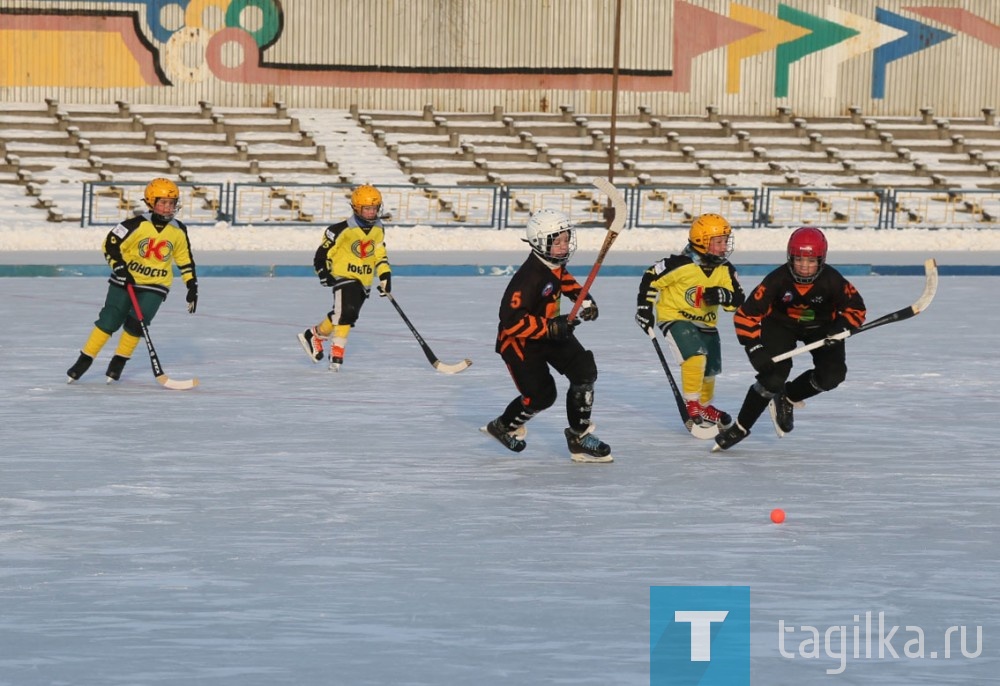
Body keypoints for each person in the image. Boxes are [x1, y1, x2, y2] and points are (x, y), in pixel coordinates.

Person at [714, 226, 867, 450]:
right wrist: (754, 348)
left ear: (821, 260)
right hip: (780, 325)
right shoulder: (777, 279)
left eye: (811, 261)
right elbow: (746, 315)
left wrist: (841, 328)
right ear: (790, 257)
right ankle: (740, 427)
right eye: (799, 260)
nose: (805, 267)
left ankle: (789, 396)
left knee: (832, 376)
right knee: (772, 377)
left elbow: (857, 310)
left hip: (822, 328)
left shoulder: (833, 280)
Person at [482, 208, 610, 463]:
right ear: (541, 242)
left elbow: (564, 280)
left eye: (566, 239)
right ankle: (502, 426)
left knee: (584, 371)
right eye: (557, 241)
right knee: (541, 396)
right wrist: (551, 328)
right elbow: (510, 322)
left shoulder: (552, 265)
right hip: (520, 343)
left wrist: (584, 300)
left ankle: (579, 436)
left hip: (550, 332)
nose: (564, 246)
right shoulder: (528, 279)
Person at [66, 177, 198, 383]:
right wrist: (119, 266)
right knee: (110, 319)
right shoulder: (133, 225)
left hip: (156, 285)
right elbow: (110, 246)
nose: (167, 208)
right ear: (150, 203)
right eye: (163, 203)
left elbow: (184, 258)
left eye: (171, 203)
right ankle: (85, 358)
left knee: (138, 324)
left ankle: (118, 362)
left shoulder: (179, 230)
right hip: (125, 280)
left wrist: (191, 284)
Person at [636, 213, 745, 434]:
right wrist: (644, 308)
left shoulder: (725, 269)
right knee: (696, 356)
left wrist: (724, 296)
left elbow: (736, 302)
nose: (724, 247)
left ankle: (703, 406)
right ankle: (692, 403)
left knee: (711, 368)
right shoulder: (679, 264)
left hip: (706, 323)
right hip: (675, 316)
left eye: (726, 241)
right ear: (701, 242)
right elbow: (651, 277)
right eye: (718, 242)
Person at [297, 184, 391, 371]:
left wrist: (385, 276)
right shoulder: (341, 229)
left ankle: (314, 334)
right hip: (343, 277)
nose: (372, 213)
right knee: (346, 312)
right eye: (367, 209)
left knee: (347, 314)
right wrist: (323, 272)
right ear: (356, 208)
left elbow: (380, 255)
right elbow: (322, 254)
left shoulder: (379, 229)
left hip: (364, 281)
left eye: (375, 208)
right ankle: (336, 356)